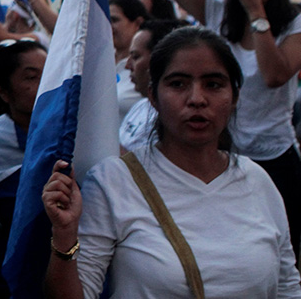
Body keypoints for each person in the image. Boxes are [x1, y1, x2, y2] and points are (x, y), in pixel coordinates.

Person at [103, 0, 301, 257]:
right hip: (223, 156)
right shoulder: (216, 14)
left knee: (275, 254)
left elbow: (275, 75)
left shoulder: (294, 26)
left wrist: (256, 12)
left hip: (275, 160)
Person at [42, 27, 301, 298]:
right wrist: (64, 235)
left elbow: (287, 288)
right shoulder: (114, 181)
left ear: (234, 97)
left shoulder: (257, 181)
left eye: (213, 84)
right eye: (178, 84)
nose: (197, 99)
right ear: (153, 96)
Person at [0, 38, 48, 297]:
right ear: (4, 92)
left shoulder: (77, 137)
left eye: (51, 71)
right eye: (32, 77)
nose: (46, 83)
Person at [119, 19, 188, 153]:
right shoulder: (139, 107)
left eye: (136, 57)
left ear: (158, 60)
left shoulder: (175, 117)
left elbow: (153, 170)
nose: (127, 66)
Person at [109, 0, 149, 121]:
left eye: (114, 20)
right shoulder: (99, 63)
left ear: (138, 23)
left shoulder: (145, 68)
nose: (108, 26)